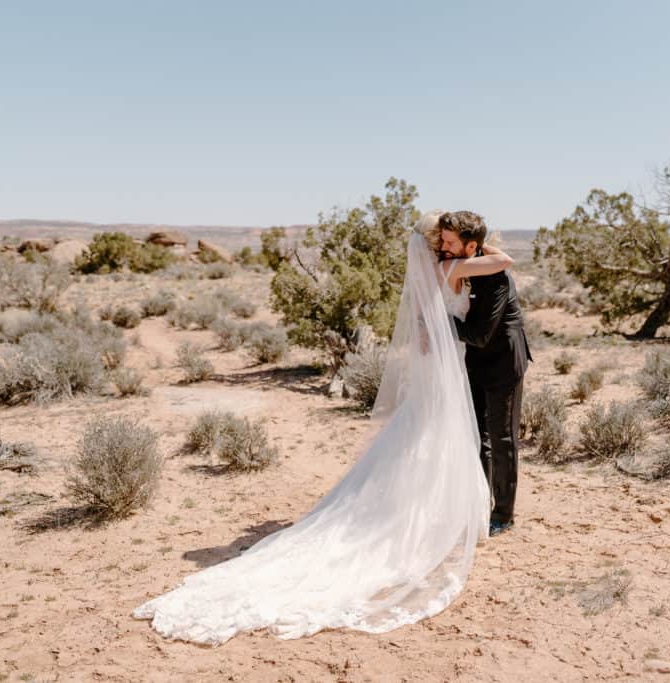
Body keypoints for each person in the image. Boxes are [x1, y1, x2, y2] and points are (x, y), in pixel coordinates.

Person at [132, 211, 514, 646]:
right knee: (438, 437)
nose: (444, 245)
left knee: (423, 436)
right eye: (441, 239)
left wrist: (458, 249)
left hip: (436, 367)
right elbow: (504, 261)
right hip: (444, 370)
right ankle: (433, 519)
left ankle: (425, 511)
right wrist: (473, 247)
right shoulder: (453, 266)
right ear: (438, 244)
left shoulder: (436, 268)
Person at [439, 211, 531, 537]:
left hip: (504, 363)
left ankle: (504, 514)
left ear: (472, 246)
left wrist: (438, 325)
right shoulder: (455, 262)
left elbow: (479, 334)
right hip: (474, 362)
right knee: (478, 437)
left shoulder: (496, 279)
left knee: (503, 437)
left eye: (450, 241)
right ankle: (479, 503)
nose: (443, 246)